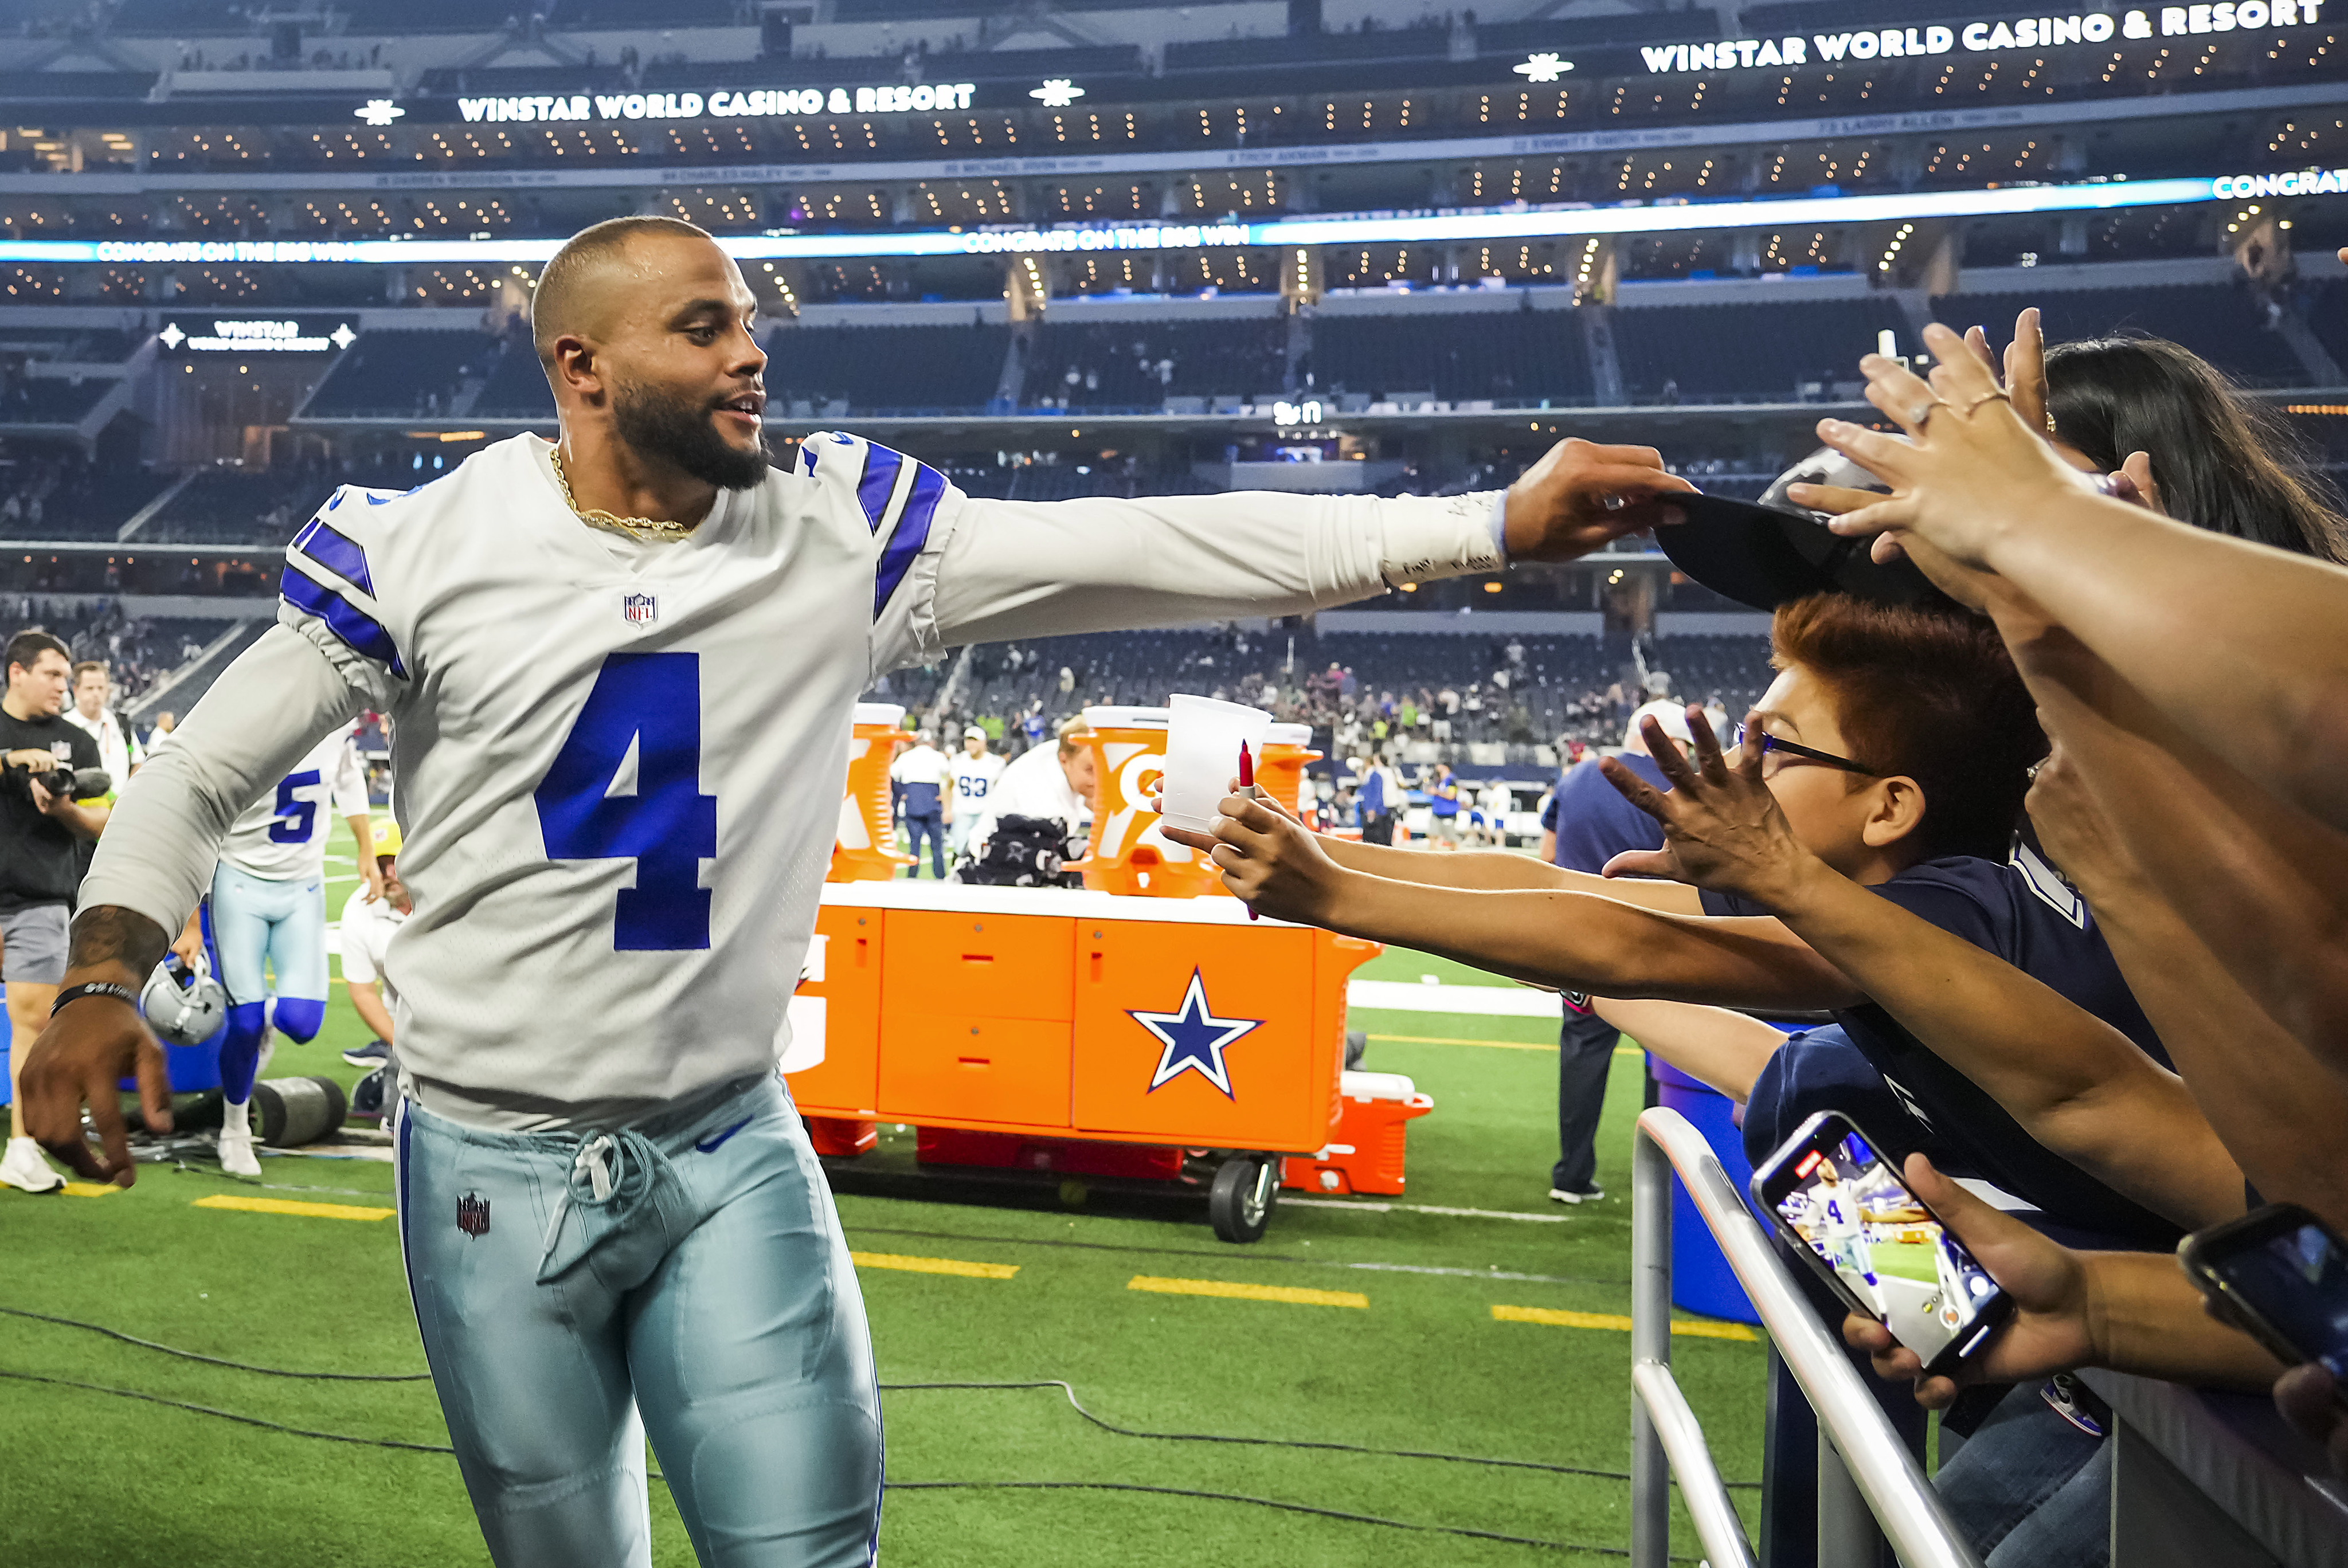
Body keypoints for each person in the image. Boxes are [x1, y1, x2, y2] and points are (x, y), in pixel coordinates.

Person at [19, 214, 1690, 1566]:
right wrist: (105, 974)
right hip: (484, 1155)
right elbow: (195, 774)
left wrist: (1479, 521)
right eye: (702, 326)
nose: (749, 350)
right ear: (580, 368)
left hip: (729, 1134)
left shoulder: (843, 530)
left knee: (812, 1546)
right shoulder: (418, 541)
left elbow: (1158, 544)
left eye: (749, 320)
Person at [202, 722, 380, 1177]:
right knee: (243, 1023)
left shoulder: (331, 728)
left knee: (301, 1023)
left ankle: (262, 1016)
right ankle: (235, 1129)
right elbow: (200, 822)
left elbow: (347, 777)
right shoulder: (239, 732)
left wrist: (365, 847)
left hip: (302, 886)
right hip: (239, 880)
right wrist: (188, 920)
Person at [1533, 699, 1692, 1205]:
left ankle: (1571, 1175)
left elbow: (1547, 859)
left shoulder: (1577, 777)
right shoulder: (1675, 785)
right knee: (1665, 1059)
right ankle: (1664, 1177)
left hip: (1581, 946)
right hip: (1656, 943)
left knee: (1582, 1054)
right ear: (1670, 742)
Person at [0, 630, 108, 1195]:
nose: (63, 687)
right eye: (53, 676)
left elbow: (103, 821)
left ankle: (21, 1147)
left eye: (67, 678)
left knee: (32, 1024)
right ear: (17, 672)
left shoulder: (76, 742)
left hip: (40, 896)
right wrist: (9, 762)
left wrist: (61, 807)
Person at [965, 715, 1098, 860]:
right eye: (1090, 770)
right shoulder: (1040, 795)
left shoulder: (1069, 750)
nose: (1099, 779)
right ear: (1064, 759)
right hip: (991, 864)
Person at [339, 817, 409, 1092]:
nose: (388, 872)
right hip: (403, 1020)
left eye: (394, 860)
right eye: (379, 865)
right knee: (396, 1119)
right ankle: (383, 1070)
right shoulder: (358, 910)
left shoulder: (443, 894)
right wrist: (399, 1043)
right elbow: (363, 992)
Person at [61, 660, 141, 788]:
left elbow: (138, 762)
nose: (96, 694)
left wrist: (127, 795)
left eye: (101, 688)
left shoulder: (120, 723)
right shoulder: (64, 727)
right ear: (76, 691)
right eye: (89, 689)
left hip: (122, 803)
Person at [887, 726, 950, 878]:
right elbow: (948, 775)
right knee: (936, 844)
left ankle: (912, 874)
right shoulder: (938, 757)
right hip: (932, 803)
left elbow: (893, 774)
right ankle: (940, 875)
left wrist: (902, 792)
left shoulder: (906, 757)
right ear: (932, 743)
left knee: (914, 844)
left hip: (913, 802)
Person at [947, 723, 1003, 857]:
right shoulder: (957, 761)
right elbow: (948, 786)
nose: (971, 744)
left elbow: (1001, 791)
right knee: (960, 849)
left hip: (984, 812)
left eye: (975, 741)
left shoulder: (996, 763)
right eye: (968, 740)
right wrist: (947, 809)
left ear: (984, 743)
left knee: (984, 850)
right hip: (962, 811)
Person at [1427, 761, 1462, 847]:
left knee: (1451, 837)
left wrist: (1437, 792)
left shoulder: (1451, 780)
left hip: (1448, 813)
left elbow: (1451, 796)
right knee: (1432, 834)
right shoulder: (1438, 780)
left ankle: (1455, 855)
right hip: (1437, 812)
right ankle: (1432, 856)